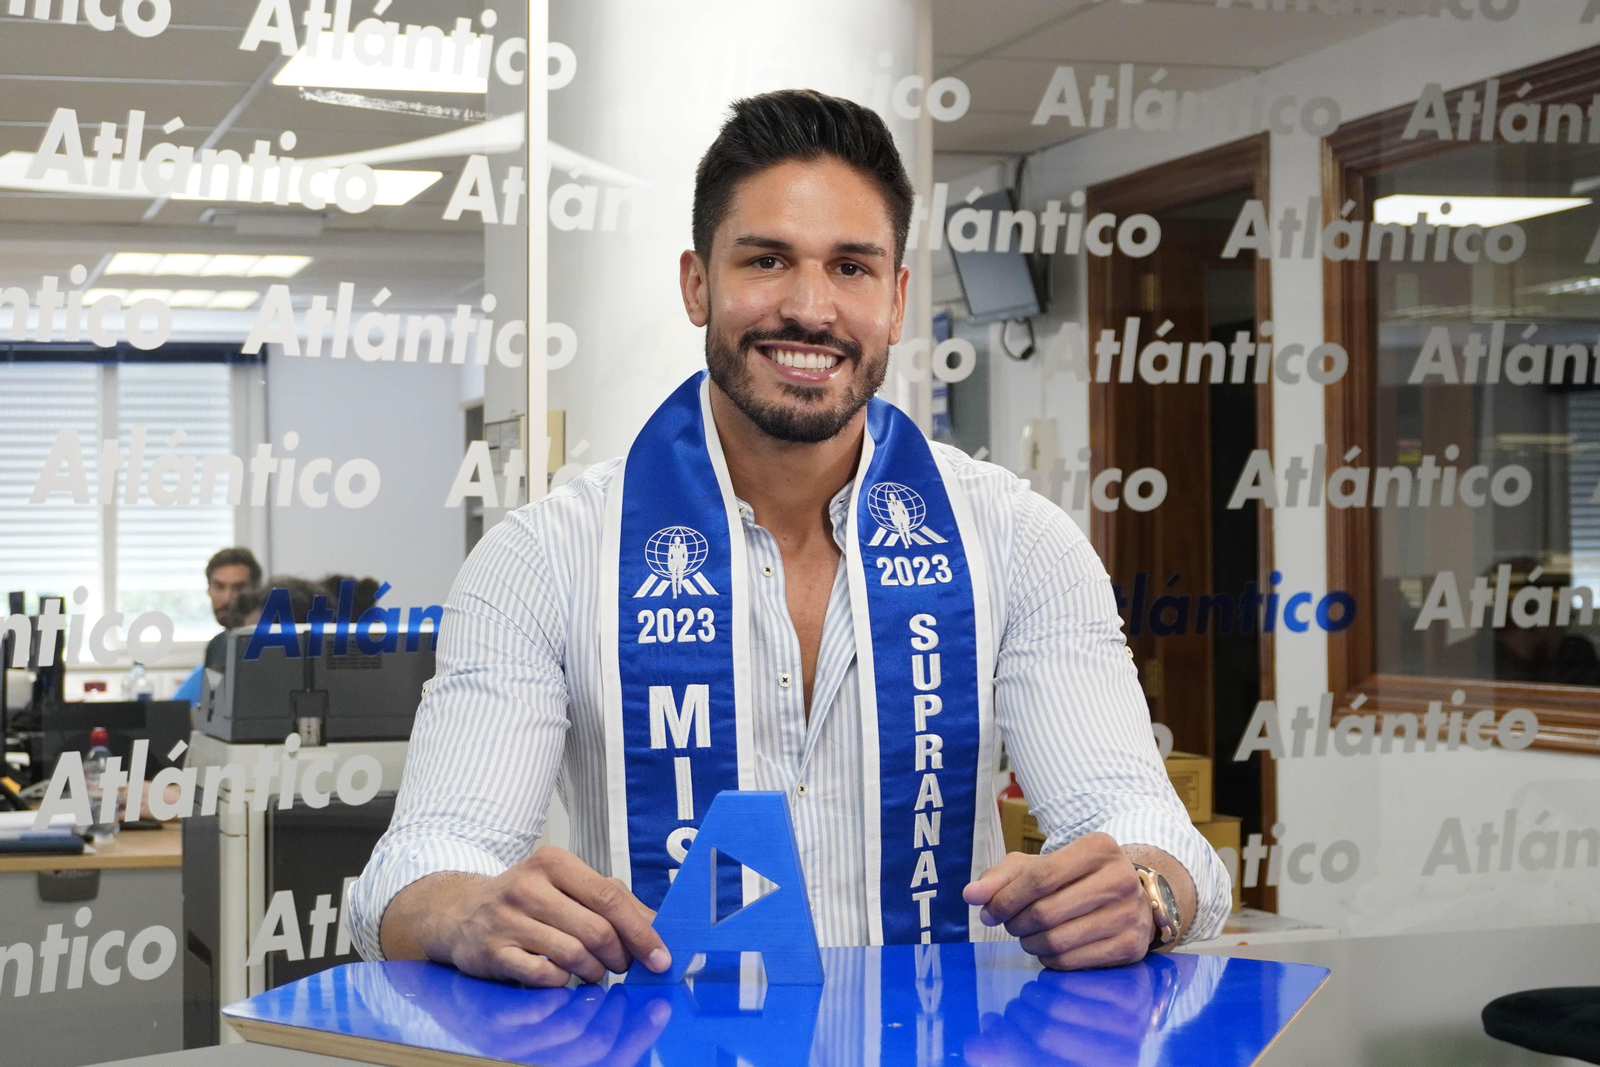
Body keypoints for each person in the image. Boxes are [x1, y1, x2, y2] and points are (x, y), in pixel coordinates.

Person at [349, 89, 1229, 986]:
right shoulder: (543, 560)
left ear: (895, 299)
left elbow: (1152, 832)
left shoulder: (1017, 542)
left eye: (851, 267)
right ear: (697, 283)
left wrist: (1147, 890)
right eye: (768, 259)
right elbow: (418, 861)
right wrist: (462, 907)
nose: (811, 308)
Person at [172, 547, 261, 704]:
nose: (227, 598)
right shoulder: (217, 645)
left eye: (239, 588)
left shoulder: (270, 643)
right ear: (208, 590)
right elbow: (211, 706)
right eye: (219, 587)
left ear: (256, 590)